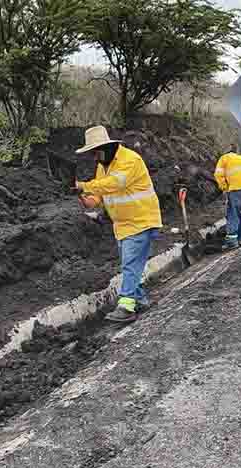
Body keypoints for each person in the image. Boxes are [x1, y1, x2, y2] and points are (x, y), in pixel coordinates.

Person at [75, 126, 162, 323]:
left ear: (108, 147)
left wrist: (83, 185)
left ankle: (126, 306)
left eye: (96, 152)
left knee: (130, 264)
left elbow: (115, 183)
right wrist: (84, 196)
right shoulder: (102, 167)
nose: (95, 157)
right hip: (123, 224)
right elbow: (98, 196)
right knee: (130, 264)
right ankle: (139, 300)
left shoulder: (130, 160)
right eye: (92, 154)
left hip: (142, 220)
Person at [214, 147, 241, 250]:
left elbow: (218, 175)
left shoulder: (224, 158)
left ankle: (231, 241)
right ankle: (240, 239)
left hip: (237, 189)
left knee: (233, 213)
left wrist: (224, 188)